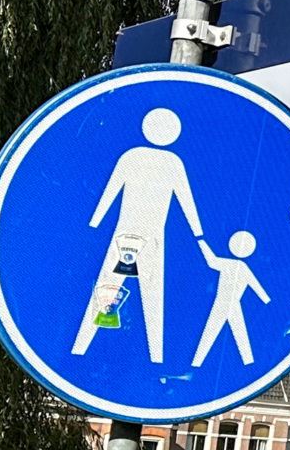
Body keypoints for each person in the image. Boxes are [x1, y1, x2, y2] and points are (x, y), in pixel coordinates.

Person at [73, 108, 202, 361]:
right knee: (150, 292)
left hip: (128, 232)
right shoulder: (172, 162)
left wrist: (94, 223)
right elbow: (186, 200)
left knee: (110, 287)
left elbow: (111, 190)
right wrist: (197, 233)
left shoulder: (133, 156)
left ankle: (80, 348)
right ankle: (155, 358)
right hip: (151, 236)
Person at [193, 230, 272, 366]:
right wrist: (266, 300)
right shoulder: (241, 266)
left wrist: (201, 241)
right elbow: (255, 285)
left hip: (224, 302)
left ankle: (196, 362)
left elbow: (211, 261)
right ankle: (248, 364)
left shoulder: (232, 265)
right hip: (230, 303)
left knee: (213, 332)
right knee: (237, 333)